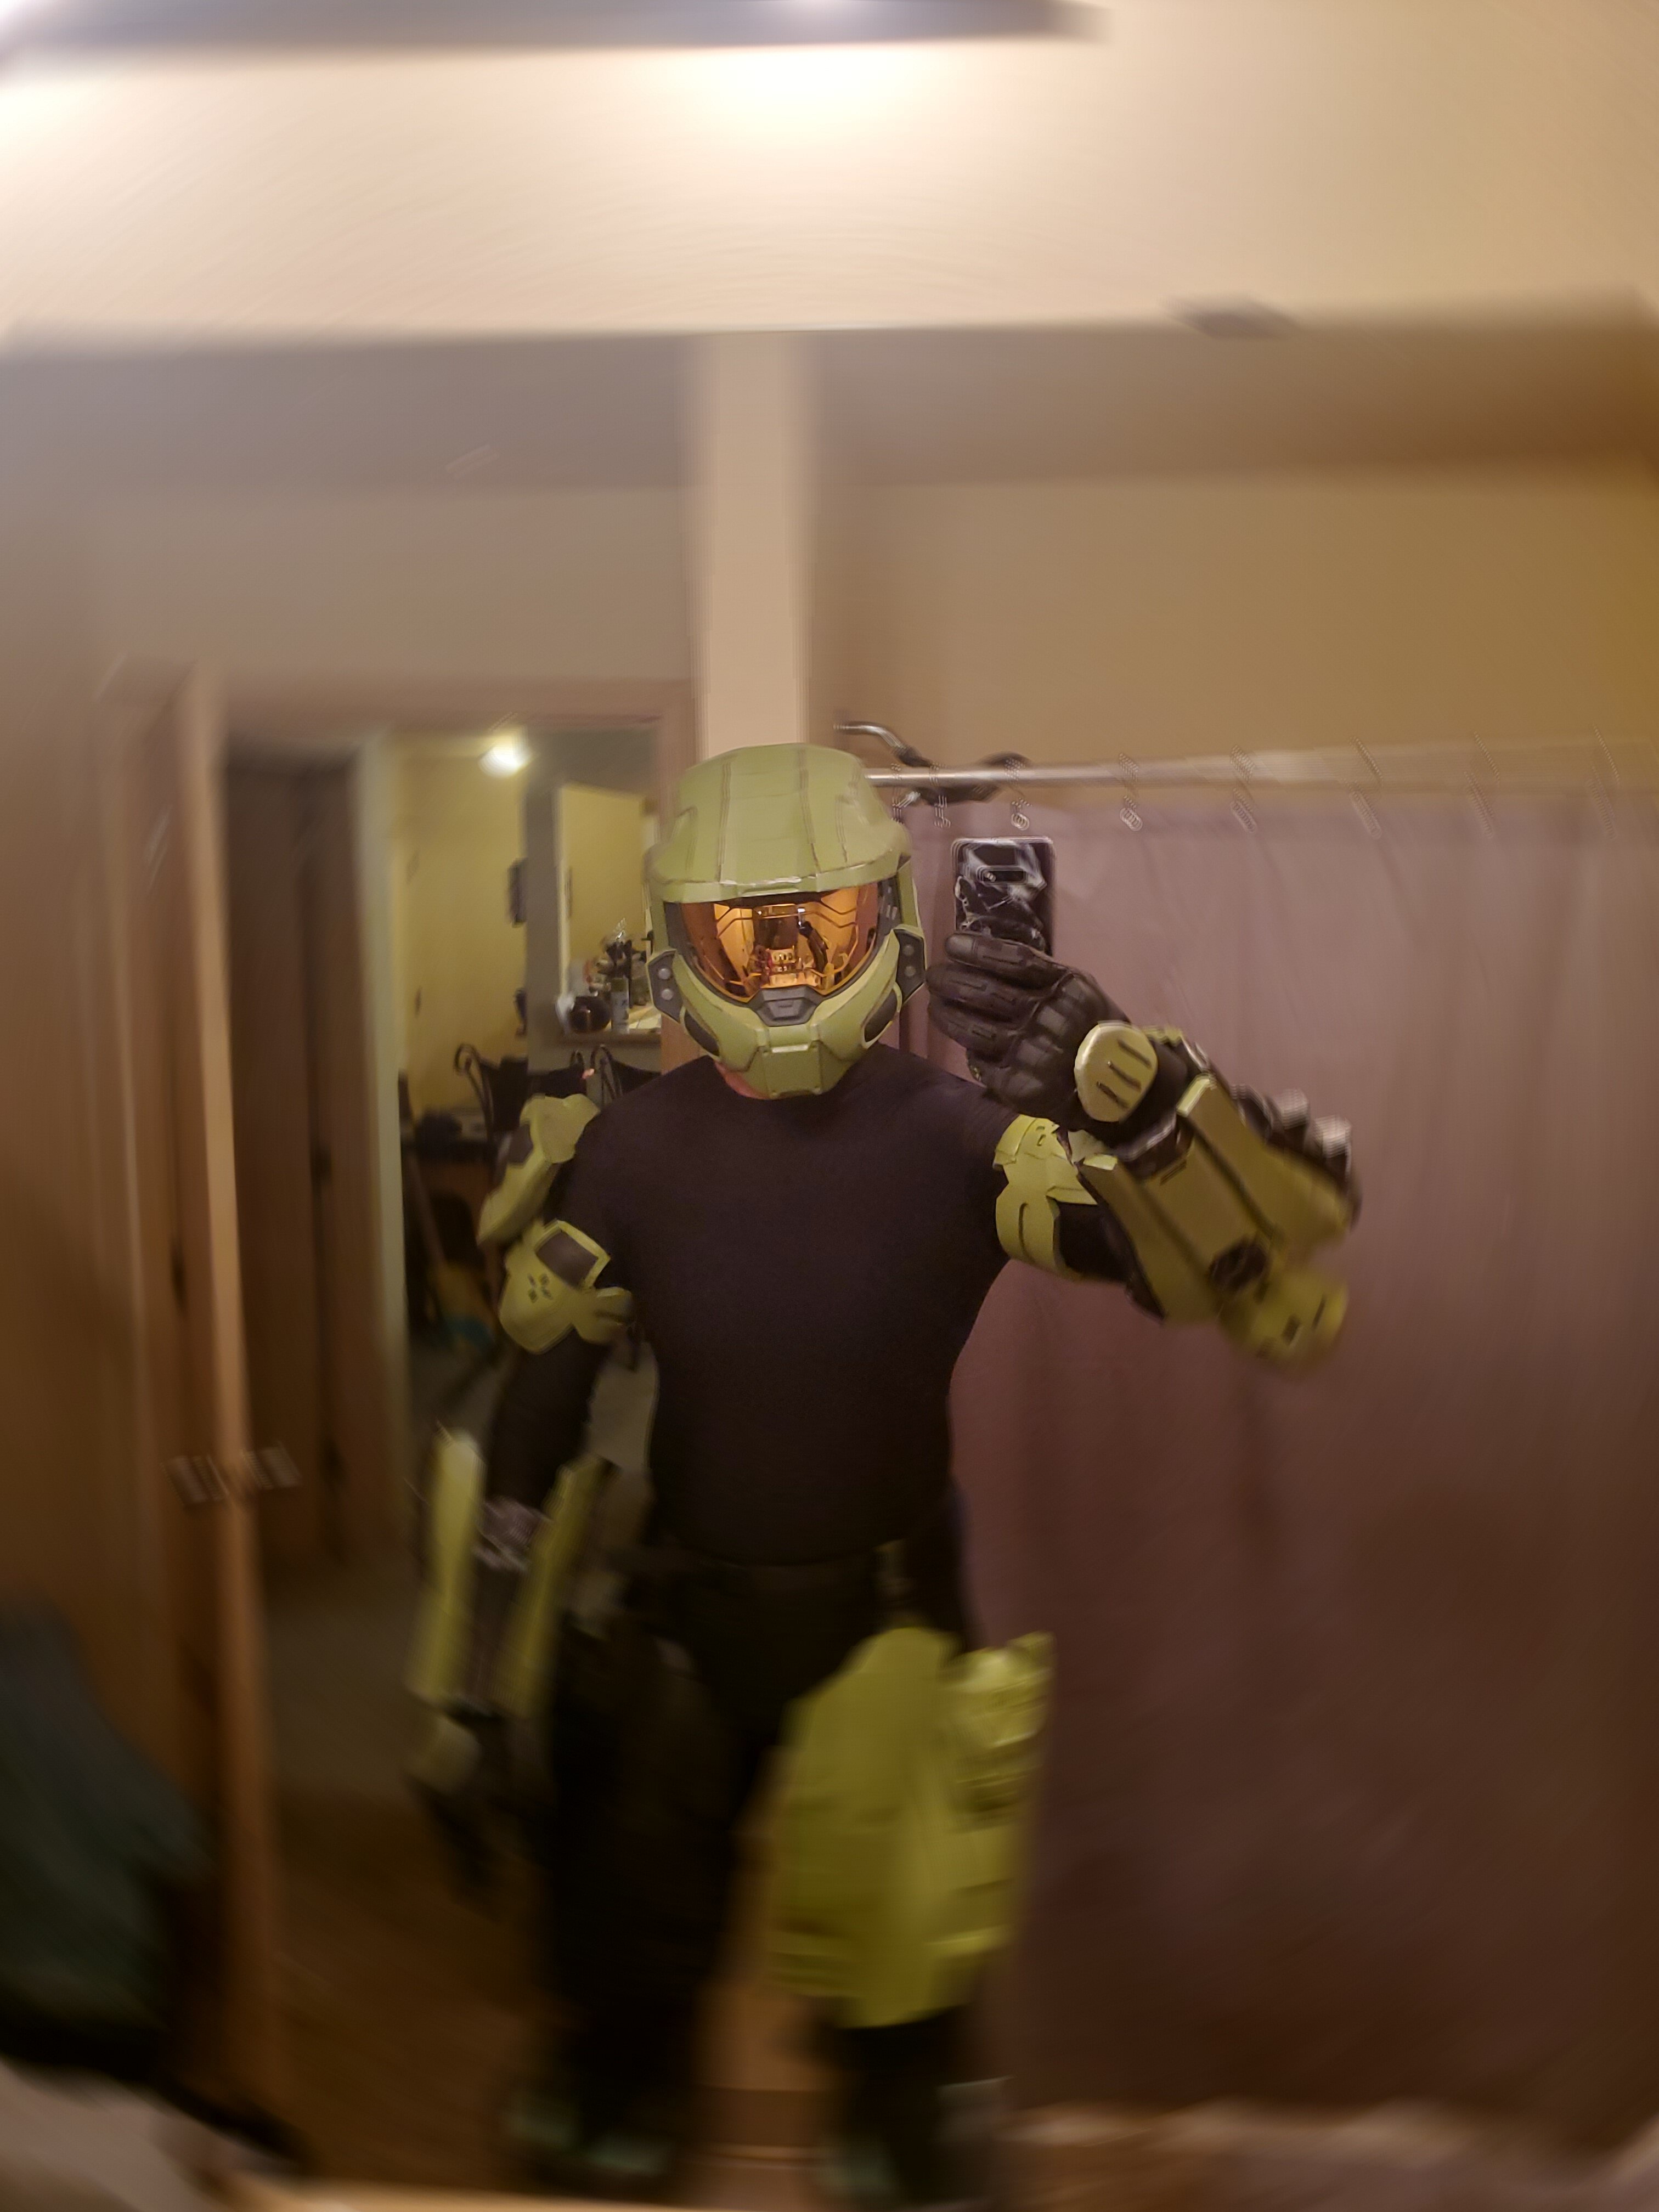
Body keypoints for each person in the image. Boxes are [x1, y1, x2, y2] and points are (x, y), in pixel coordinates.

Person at [453, 742, 1357, 2205]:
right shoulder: (631, 1151)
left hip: (884, 1626)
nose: (786, 970)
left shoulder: (953, 1136)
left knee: (905, 2021)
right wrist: (479, 1675)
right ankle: (636, 2094)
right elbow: (539, 1400)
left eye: (817, 924)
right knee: (623, 1993)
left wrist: (1140, 1107)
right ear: (683, 945)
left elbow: (1191, 1267)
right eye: (746, 933)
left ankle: (888, 2120)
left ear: (884, 922)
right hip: (689, 1617)